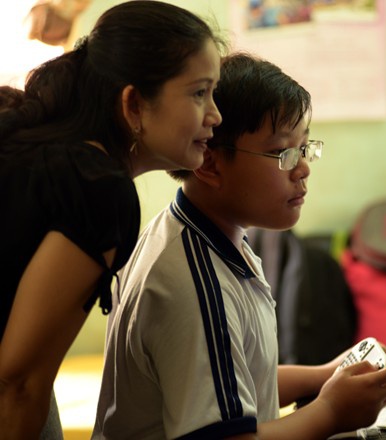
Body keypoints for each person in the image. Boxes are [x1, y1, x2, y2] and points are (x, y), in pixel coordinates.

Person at [93, 52, 386, 439]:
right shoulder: (193, 284)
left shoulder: (203, 237)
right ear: (209, 164)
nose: (303, 168)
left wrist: (327, 375)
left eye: (304, 147)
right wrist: (331, 410)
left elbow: (237, 377)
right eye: (282, 153)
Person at [0, 1, 226, 438]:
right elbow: (18, 383)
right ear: (133, 103)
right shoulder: (96, 189)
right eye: (199, 93)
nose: (215, 115)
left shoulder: (50, 147)